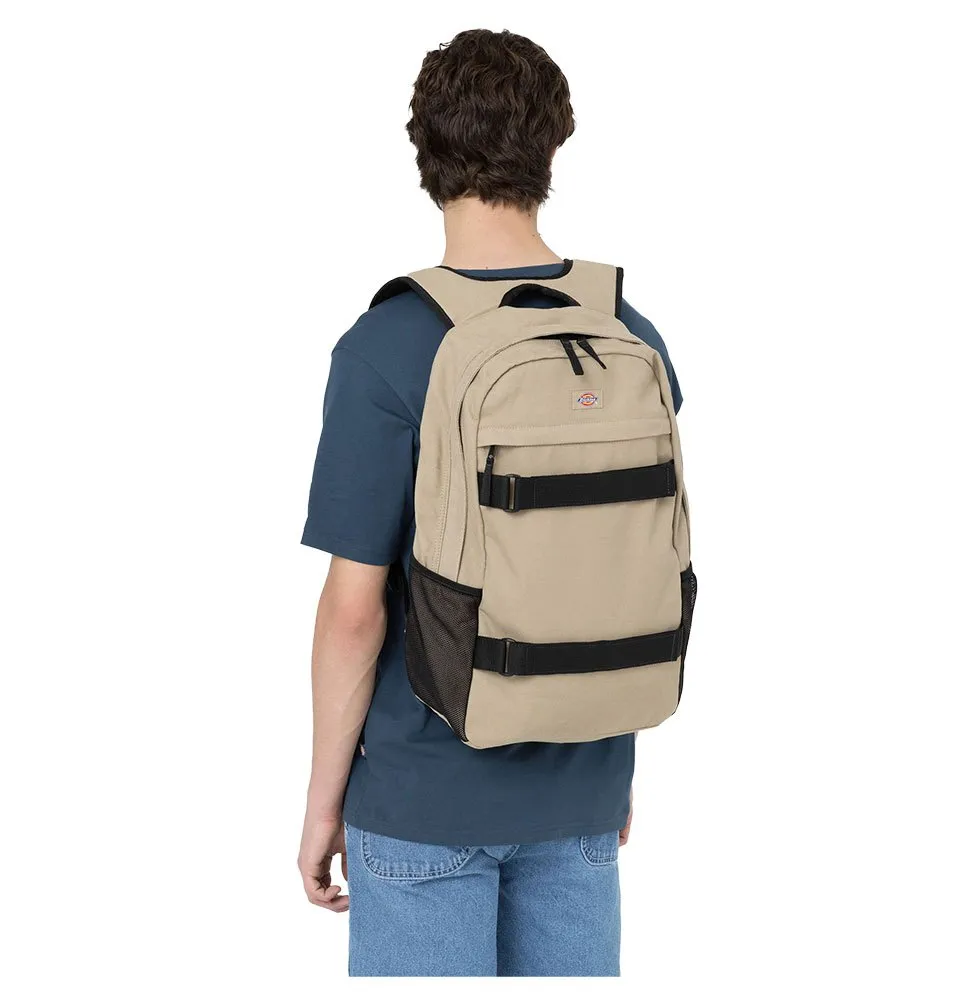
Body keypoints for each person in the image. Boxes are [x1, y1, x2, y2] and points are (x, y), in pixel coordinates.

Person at [297, 28, 683, 977]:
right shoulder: (628, 331)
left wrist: (323, 803)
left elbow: (354, 613)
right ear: (552, 146)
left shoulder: (388, 346)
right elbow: (624, 559)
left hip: (422, 802)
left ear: (424, 153)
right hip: (584, 793)